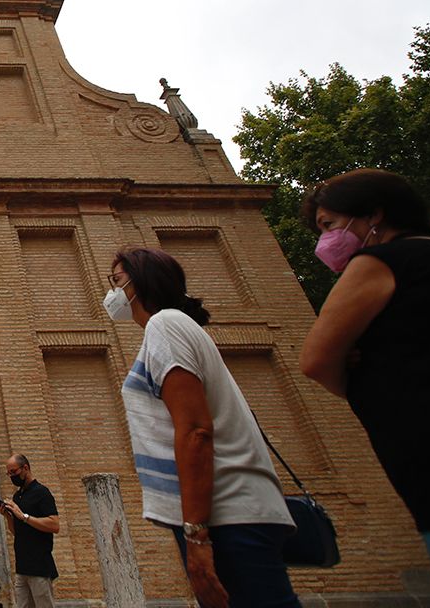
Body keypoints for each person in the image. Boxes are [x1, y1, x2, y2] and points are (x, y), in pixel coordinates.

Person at [299, 168, 430, 601]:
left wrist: (358, 381)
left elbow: (315, 358)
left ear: (373, 216)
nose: (326, 240)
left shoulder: (380, 262)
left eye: (330, 225)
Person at [107, 247, 297, 607]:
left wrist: (196, 534)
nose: (112, 293)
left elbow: (196, 430)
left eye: (116, 282)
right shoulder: (176, 326)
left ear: (139, 284)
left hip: (227, 514)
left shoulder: (165, 324)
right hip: (228, 513)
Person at [0, 453, 60, 607]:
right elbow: (18, 533)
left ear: (25, 468)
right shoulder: (17, 496)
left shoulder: (42, 492)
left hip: (39, 566)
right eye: (9, 473)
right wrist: (8, 516)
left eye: (14, 472)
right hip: (22, 567)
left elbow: (54, 525)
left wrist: (23, 516)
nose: (12, 476)